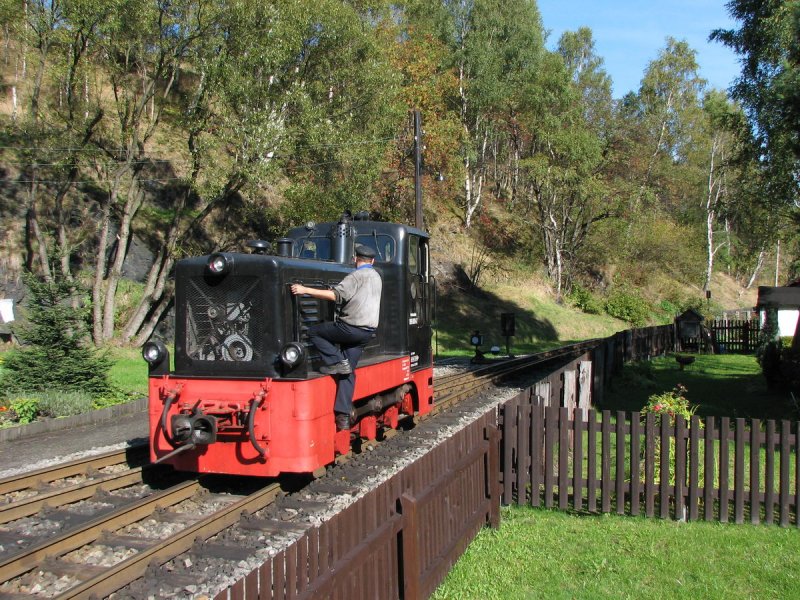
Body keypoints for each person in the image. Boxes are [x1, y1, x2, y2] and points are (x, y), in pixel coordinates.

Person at [290, 244, 382, 430]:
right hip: (366, 333)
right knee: (348, 373)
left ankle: (337, 360)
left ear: (356, 259)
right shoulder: (376, 276)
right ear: (372, 261)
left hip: (350, 328)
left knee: (315, 332)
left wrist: (304, 289)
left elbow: (335, 295)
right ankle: (343, 416)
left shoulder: (356, 276)